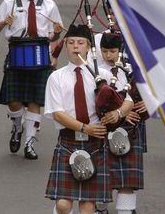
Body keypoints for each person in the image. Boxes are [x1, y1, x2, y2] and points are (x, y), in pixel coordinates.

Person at [44, 24, 131, 214]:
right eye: (71, 42)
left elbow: (128, 101)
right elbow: (57, 113)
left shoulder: (104, 75)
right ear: (66, 45)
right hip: (68, 141)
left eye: (80, 43)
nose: (75, 47)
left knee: (87, 206)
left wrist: (116, 114)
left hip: (95, 143)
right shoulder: (56, 77)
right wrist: (85, 128)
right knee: (63, 205)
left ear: (88, 47)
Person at [0, 0, 63, 160]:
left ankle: (29, 143)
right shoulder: (10, 3)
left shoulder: (49, 5)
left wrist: (55, 32)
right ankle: (16, 125)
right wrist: (4, 23)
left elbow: (55, 34)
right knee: (13, 101)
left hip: (40, 53)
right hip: (16, 52)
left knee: (34, 101)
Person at [95, 32, 144, 214]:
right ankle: (100, 209)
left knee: (127, 180)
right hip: (103, 127)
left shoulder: (130, 69)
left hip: (129, 129)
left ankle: (126, 210)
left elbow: (136, 95)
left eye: (113, 51)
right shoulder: (96, 70)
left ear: (120, 50)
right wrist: (122, 112)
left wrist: (132, 110)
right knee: (102, 175)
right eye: (105, 51)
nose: (109, 55)